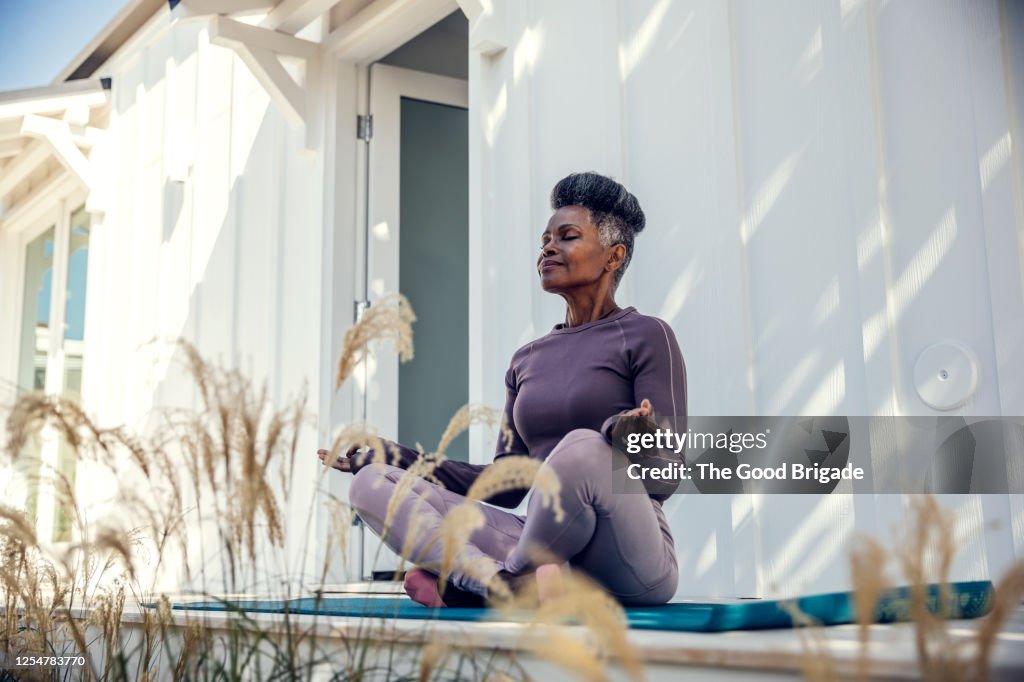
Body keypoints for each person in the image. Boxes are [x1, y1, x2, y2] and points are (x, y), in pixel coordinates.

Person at [318, 171, 686, 608]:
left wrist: (621, 435)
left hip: (629, 559)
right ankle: (499, 583)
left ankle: (497, 582)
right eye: (545, 240)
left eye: (567, 237)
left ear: (613, 255)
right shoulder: (527, 359)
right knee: (372, 483)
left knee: (582, 447)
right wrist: (394, 455)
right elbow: (506, 484)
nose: (548, 248)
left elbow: (667, 477)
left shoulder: (647, 335)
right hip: (545, 551)